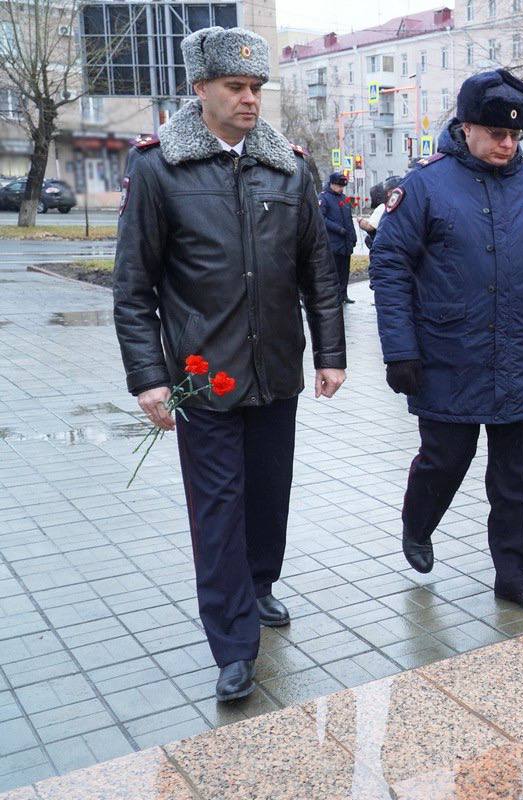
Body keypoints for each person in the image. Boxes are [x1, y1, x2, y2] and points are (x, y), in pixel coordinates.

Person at [112, 26, 346, 702]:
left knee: (269, 496)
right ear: (201, 90)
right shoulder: (159, 168)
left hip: (276, 370)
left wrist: (330, 353)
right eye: (236, 87)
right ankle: (234, 644)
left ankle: (261, 584)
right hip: (201, 377)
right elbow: (134, 287)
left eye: (256, 88)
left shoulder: (288, 167)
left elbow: (317, 273)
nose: (249, 99)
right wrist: (149, 377)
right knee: (218, 510)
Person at [369, 69, 523, 617]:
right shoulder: (424, 186)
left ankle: (515, 576)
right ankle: (418, 523)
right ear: (466, 126)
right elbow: (391, 267)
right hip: (447, 354)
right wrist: (400, 350)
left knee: (516, 475)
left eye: (515, 135)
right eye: (495, 133)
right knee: (447, 458)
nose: (507, 144)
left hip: (519, 355)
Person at [319, 172, 357, 304]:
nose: (341, 189)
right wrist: (337, 229)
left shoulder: (344, 198)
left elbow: (349, 218)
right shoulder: (324, 198)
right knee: (334, 270)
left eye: (343, 186)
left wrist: (353, 236)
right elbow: (322, 219)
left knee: (344, 270)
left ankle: (343, 294)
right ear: (332, 184)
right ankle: (334, 296)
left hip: (345, 241)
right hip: (333, 241)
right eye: (339, 186)